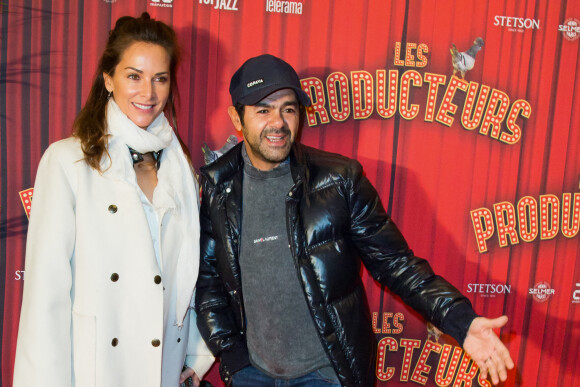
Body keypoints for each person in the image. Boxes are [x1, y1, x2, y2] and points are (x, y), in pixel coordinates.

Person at [195, 54, 514, 387]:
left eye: (288, 109)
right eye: (263, 110)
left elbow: (395, 264)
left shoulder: (339, 180)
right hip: (252, 375)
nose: (278, 122)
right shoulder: (219, 187)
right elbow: (210, 283)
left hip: (326, 374)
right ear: (237, 116)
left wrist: (460, 322)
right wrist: (233, 356)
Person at [13, 13, 213, 387]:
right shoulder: (67, 161)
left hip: (163, 370)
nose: (148, 93)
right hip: (96, 370)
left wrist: (196, 355)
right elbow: (46, 295)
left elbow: (192, 274)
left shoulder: (179, 167)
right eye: (133, 76)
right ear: (109, 79)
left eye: (160, 79)